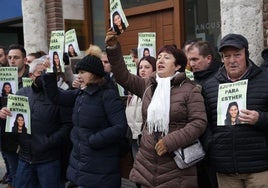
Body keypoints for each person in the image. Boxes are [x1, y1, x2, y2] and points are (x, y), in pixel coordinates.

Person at [105, 29, 207, 187]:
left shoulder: (190, 89)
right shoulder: (147, 85)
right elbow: (122, 75)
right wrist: (113, 48)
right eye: (159, 57)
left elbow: (198, 123)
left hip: (175, 165)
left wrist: (169, 141)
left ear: (178, 65)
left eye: (166, 58)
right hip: (147, 164)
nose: (160, 60)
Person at [42, 54, 128, 187]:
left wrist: (93, 140)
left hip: (101, 168)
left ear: (94, 74)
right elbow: (57, 97)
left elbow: (120, 127)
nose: (79, 76)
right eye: (78, 73)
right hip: (80, 165)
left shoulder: (108, 95)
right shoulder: (81, 93)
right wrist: (50, 72)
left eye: (82, 72)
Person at [202, 33, 268, 188]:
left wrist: (260, 118)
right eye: (227, 56)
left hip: (260, 167)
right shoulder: (210, 85)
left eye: (237, 55)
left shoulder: (265, 80)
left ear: (246, 54)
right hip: (226, 169)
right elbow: (204, 123)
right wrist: (211, 146)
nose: (232, 61)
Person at [0, 58, 72, 188]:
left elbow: (67, 126)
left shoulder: (61, 96)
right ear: (31, 76)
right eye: (40, 73)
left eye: (47, 72)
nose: (45, 77)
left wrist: (48, 142)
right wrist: (4, 114)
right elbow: (12, 120)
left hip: (49, 160)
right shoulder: (21, 94)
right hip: (24, 159)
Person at [185, 40, 222, 188]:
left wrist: (211, 144)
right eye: (189, 60)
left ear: (208, 58)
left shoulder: (220, 80)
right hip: (197, 153)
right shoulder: (193, 80)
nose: (191, 64)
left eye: (195, 59)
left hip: (214, 152)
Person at [0, 44, 29, 188]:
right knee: (15, 174)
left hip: (29, 137)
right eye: (10, 57)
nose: (12, 60)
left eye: (16, 57)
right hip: (8, 138)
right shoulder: (2, 79)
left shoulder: (33, 77)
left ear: (24, 60)